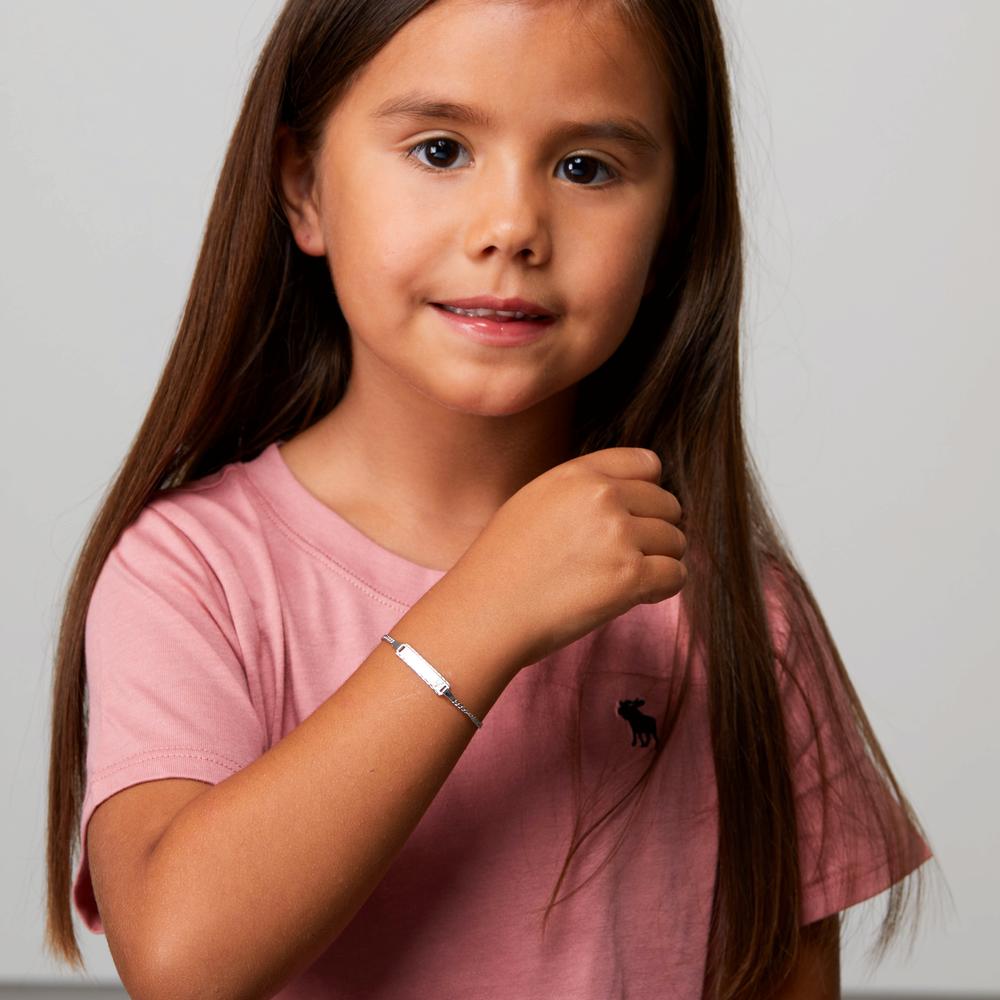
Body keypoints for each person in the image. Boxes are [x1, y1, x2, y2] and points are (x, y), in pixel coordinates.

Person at [44, 0, 939, 997]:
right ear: (303, 186)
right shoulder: (193, 571)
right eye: (439, 150)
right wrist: (484, 611)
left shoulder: (735, 614)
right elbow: (179, 960)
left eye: (586, 167)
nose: (512, 226)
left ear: (675, 220)